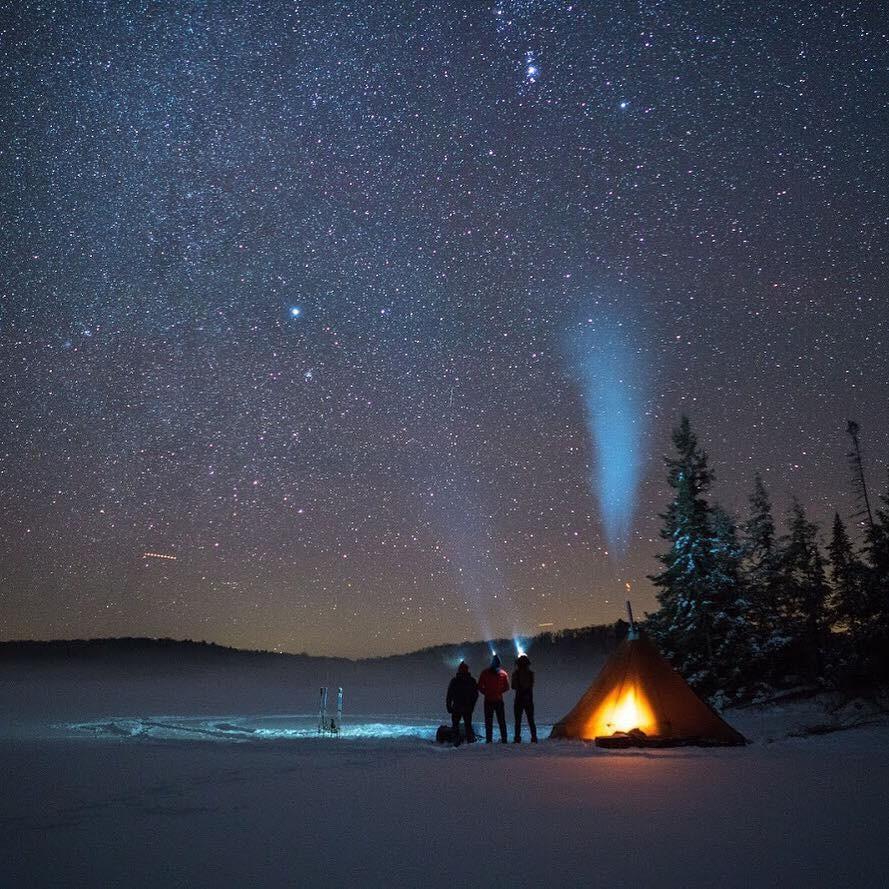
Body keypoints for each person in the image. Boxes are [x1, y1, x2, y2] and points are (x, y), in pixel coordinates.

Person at [477, 654, 510, 743]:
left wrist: (486, 692)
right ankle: (504, 739)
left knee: (488, 722)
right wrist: (499, 692)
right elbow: (507, 687)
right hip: (499, 700)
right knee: (501, 721)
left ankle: (489, 740)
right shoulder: (503, 673)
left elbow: (479, 686)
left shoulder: (485, 673)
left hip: (488, 700)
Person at [446, 661, 479, 746]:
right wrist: (472, 706)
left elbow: (449, 694)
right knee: (467, 724)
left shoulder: (455, 680)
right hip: (466, 707)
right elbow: (475, 695)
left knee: (456, 724)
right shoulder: (472, 680)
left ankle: (456, 740)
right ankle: (469, 740)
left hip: (457, 706)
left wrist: (449, 706)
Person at [511, 654, 537, 742]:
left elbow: (513, 686)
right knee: (531, 720)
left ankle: (517, 738)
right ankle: (534, 737)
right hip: (529, 699)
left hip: (519, 699)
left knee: (518, 721)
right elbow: (531, 685)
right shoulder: (530, 674)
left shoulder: (516, 674)